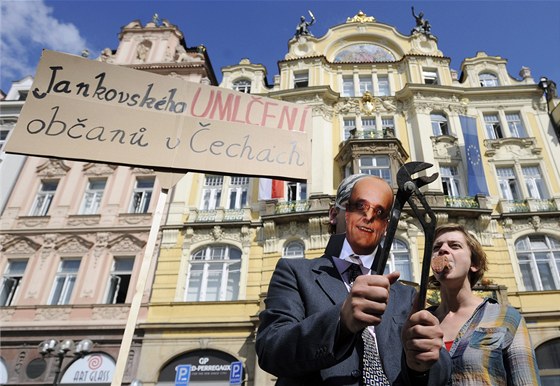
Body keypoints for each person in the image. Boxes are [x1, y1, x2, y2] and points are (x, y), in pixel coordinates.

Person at [256, 174, 451, 385]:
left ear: (386, 226)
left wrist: (421, 366)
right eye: (360, 206)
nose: (369, 217)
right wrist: (341, 321)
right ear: (334, 214)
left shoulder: (406, 296)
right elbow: (271, 349)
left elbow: (442, 373)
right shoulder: (294, 273)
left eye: (380, 212)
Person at [428, 223, 541, 385]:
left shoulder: (507, 317)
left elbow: (526, 381)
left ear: (474, 264)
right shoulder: (423, 323)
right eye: (436, 247)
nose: (443, 250)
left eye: (455, 246)